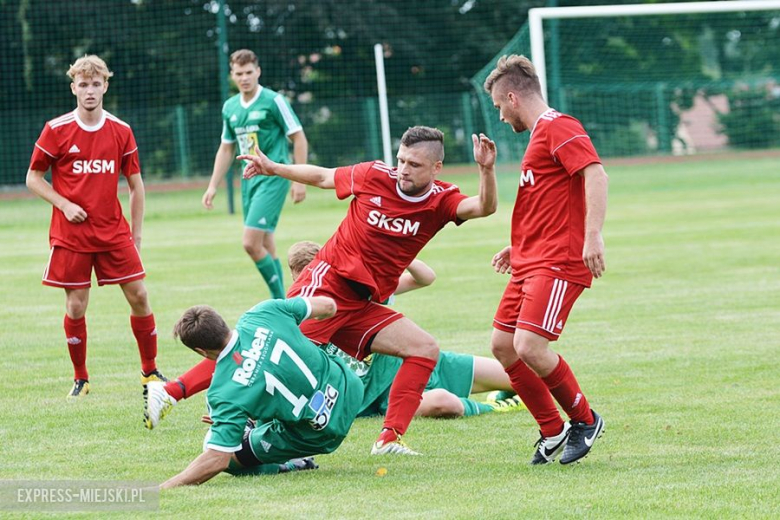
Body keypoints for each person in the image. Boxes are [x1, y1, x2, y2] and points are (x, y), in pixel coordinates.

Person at [146, 126, 497, 456]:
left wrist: (486, 171)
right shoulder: (374, 175)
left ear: (437, 167)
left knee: (424, 348)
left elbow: (483, 207)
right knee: (266, 347)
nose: (403, 169)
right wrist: (273, 168)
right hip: (327, 286)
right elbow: (323, 176)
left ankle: (389, 438)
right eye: (401, 159)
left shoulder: (441, 200)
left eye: (414, 164)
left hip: (363, 302)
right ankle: (171, 391)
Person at [483, 55, 609, 465]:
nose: (500, 116)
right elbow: (547, 204)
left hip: (558, 262)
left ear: (513, 98)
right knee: (503, 346)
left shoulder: (559, 126)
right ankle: (552, 429)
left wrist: (593, 236)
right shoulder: (540, 136)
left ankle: (585, 421)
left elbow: (595, 174)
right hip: (531, 260)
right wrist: (517, 246)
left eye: (500, 107)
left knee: (530, 345)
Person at [25, 55, 166, 399]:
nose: (90, 90)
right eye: (83, 84)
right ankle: (81, 378)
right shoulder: (56, 129)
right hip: (71, 235)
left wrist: (136, 234)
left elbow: (136, 185)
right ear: (74, 88)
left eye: (96, 83)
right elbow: (33, 178)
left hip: (113, 232)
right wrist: (64, 203)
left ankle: (150, 371)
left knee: (140, 296)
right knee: (76, 305)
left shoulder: (121, 130)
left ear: (105, 86)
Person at [286, 241, 524, 419]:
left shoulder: (357, 289)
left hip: (426, 365)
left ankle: (502, 392)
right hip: (386, 394)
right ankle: (495, 406)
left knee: (526, 376)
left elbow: (425, 278)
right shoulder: (296, 318)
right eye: (304, 283)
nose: (312, 288)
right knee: (444, 403)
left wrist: (399, 252)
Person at [159, 296, 365, 489]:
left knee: (217, 445)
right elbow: (329, 306)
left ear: (201, 351)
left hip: (322, 431)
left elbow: (218, 459)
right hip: (350, 387)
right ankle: (251, 428)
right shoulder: (263, 312)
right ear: (221, 323)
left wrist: (164, 487)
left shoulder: (223, 392)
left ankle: (288, 465)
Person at [201, 49, 308, 300]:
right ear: (232, 75)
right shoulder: (230, 107)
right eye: (239, 73)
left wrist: (299, 180)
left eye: (249, 72)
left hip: (274, 177)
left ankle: (280, 302)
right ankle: (285, 302)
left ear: (258, 71)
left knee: (250, 243)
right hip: (250, 181)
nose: (245, 78)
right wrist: (213, 185)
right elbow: (227, 148)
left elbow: (299, 137)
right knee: (266, 243)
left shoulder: (274, 101)